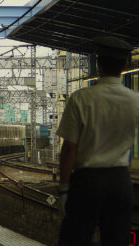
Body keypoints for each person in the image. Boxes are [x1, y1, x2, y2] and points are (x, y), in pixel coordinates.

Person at [56, 36, 138, 246]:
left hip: (87, 182)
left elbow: (69, 148)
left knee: (75, 239)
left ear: (98, 64)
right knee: (117, 240)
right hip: (121, 182)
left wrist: (64, 189)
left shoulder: (81, 98)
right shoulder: (135, 100)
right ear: (125, 66)